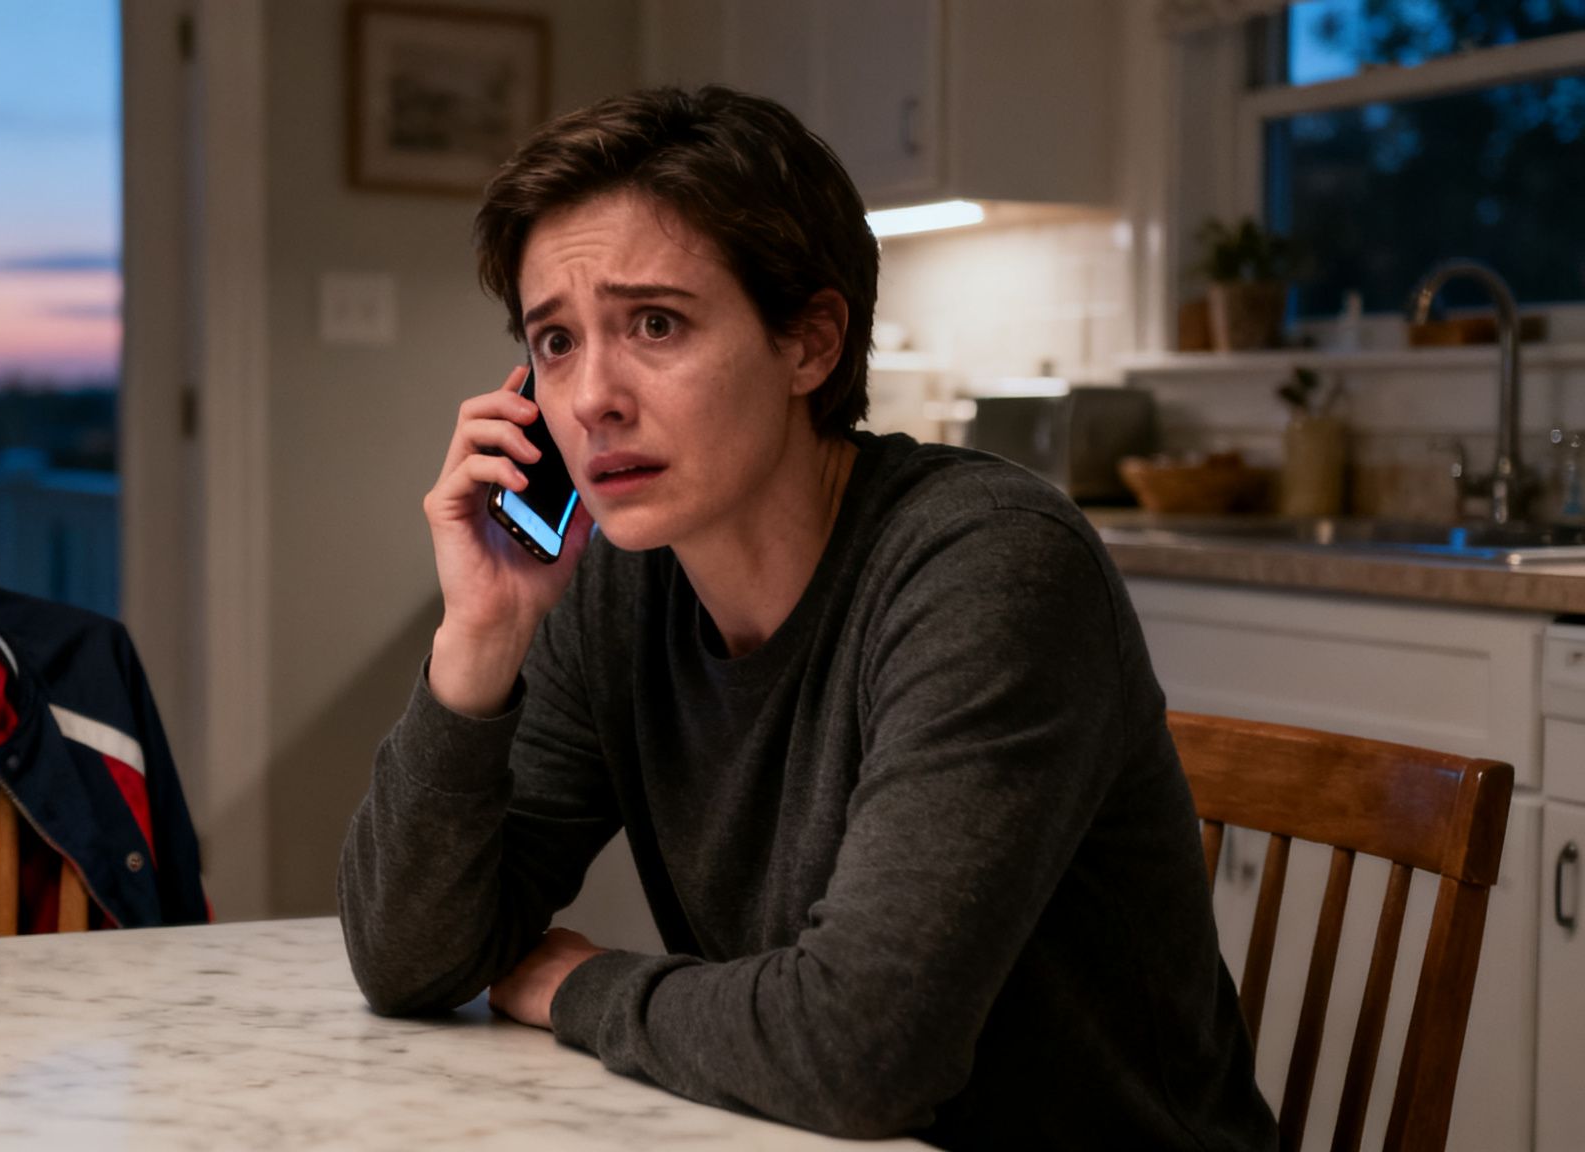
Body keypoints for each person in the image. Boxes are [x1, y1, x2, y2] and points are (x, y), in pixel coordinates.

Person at [337, 85, 1275, 1148]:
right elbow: (408, 960)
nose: (591, 395)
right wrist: (480, 639)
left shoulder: (988, 566)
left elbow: (859, 1054)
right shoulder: (620, 584)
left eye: (653, 323)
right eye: (554, 342)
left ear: (808, 344)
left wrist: (579, 986)